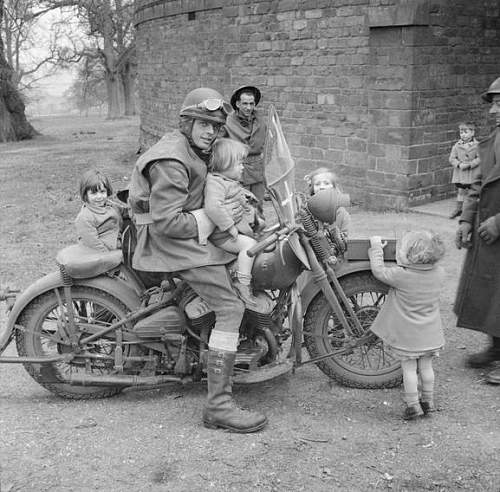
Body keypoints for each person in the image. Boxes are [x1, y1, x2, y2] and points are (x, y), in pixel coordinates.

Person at [128, 87, 267, 432]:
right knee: (231, 307)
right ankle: (218, 406)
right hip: (166, 241)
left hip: (184, 235)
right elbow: (168, 221)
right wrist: (208, 218)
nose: (210, 131)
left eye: (216, 126)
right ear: (187, 122)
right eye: (203, 123)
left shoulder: (193, 148)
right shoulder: (171, 161)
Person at [368, 231, 446, 420]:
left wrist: (377, 247)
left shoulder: (401, 275)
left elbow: (378, 271)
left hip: (409, 337)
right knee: (427, 368)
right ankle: (428, 401)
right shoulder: (440, 273)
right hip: (431, 334)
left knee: (409, 369)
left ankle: (413, 405)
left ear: (410, 256)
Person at [455, 76, 500, 384]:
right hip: (486, 228)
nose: (492, 111)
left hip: (495, 225)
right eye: (493, 103)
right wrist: (465, 221)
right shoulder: (495, 136)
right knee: (491, 293)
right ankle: (496, 348)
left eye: (499, 103)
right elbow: (475, 183)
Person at [204, 138, 260, 306]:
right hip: (222, 235)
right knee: (250, 246)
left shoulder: (225, 180)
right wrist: (229, 227)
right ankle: (242, 283)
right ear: (224, 164)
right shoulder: (215, 183)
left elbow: (233, 191)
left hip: (232, 228)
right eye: (238, 164)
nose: (242, 167)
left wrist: (245, 196)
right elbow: (213, 207)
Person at [223, 85, 267, 216]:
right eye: (245, 104)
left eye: (251, 103)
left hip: (257, 169)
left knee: (258, 204)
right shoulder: (228, 121)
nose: (248, 107)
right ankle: (245, 232)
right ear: (237, 104)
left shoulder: (260, 119)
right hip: (239, 169)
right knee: (243, 205)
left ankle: (259, 230)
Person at [75, 169, 122, 252]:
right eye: (94, 193)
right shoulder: (85, 217)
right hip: (100, 257)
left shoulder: (110, 205)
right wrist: (107, 256)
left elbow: (124, 212)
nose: (99, 196)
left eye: (102, 191)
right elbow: (93, 243)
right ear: (85, 194)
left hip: (117, 249)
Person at [304, 166, 351, 237]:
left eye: (326, 183)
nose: (322, 187)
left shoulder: (341, 213)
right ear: (313, 189)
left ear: (334, 187)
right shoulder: (306, 211)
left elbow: (345, 237)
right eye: (317, 184)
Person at [448, 121, 480, 219]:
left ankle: (468, 211)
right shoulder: (457, 145)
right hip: (461, 172)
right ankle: (458, 209)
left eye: (466, 132)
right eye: (461, 133)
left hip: (472, 172)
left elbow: (480, 158)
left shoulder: (477, 145)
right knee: (461, 191)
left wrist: (470, 164)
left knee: (471, 191)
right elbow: (451, 158)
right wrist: (459, 164)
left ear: (472, 133)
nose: (463, 135)